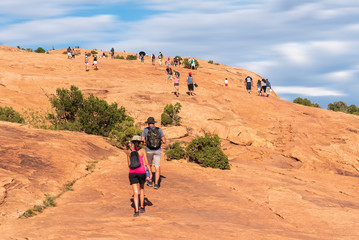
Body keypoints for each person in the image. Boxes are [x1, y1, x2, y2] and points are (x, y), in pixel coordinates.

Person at [128, 135, 152, 217]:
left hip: (132, 172)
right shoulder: (142, 150)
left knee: (135, 192)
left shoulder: (129, 151)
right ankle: (142, 207)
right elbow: (146, 162)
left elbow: (129, 164)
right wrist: (150, 172)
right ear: (139, 142)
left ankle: (136, 211)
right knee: (141, 189)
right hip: (141, 172)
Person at [141, 117, 166, 189]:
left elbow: (142, 140)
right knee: (157, 166)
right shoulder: (159, 129)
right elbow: (164, 141)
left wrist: (145, 143)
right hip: (158, 150)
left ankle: (150, 180)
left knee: (149, 165)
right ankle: (156, 184)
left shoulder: (145, 130)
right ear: (154, 123)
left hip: (148, 150)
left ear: (148, 123)